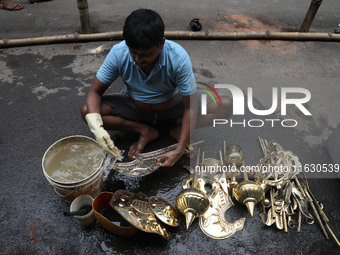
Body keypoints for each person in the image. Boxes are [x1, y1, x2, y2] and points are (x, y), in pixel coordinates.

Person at [81, 9, 232, 167]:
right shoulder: (119, 53)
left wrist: (180, 148)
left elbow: (190, 107)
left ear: (161, 43)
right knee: (87, 111)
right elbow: (94, 91)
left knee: (225, 105)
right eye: (134, 52)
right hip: (135, 107)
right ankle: (145, 130)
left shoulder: (178, 58)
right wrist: (96, 125)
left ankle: (179, 130)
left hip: (173, 106)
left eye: (145, 53)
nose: (138, 59)